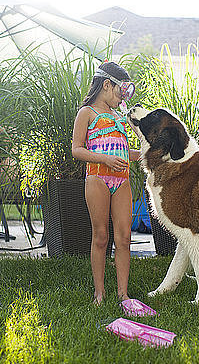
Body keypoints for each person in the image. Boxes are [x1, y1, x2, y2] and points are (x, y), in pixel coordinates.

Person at [72, 61, 141, 305]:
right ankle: (99, 294)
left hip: (121, 180)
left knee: (124, 238)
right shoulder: (87, 113)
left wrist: (147, 154)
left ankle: (123, 294)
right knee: (101, 236)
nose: (122, 99)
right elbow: (77, 150)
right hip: (98, 177)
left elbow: (124, 150)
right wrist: (105, 159)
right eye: (120, 92)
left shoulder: (119, 116)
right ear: (106, 85)